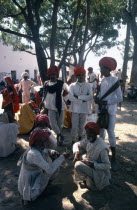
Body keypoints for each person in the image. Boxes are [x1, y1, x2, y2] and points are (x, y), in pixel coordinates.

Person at [18, 129, 70, 204]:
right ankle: (37, 193)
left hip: (29, 182)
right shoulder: (34, 154)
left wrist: (51, 151)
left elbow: (45, 150)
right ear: (35, 141)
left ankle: (42, 187)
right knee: (53, 169)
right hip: (29, 192)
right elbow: (50, 170)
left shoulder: (33, 148)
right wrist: (62, 157)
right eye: (40, 141)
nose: (43, 144)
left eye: (44, 141)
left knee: (53, 166)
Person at [95, 57, 123, 168]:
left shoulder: (115, 80)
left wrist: (106, 102)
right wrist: (97, 99)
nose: (100, 70)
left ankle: (114, 156)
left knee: (110, 132)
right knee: (101, 132)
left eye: (102, 68)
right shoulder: (102, 80)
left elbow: (120, 98)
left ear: (107, 69)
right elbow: (101, 95)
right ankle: (102, 153)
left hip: (110, 111)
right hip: (101, 111)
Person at [73, 122, 111, 191]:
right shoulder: (89, 139)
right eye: (87, 133)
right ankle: (88, 179)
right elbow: (77, 144)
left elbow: (107, 166)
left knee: (78, 165)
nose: (88, 135)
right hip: (90, 163)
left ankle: (92, 182)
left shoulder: (102, 147)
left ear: (95, 134)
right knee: (81, 152)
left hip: (99, 172)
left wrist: (92, 164)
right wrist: (76, 153)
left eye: (90, 133)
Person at [42, 65, 69, 145]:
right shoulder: (46, 83)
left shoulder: (61, 83)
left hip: (60, 106)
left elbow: (68, 92)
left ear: (57, 75)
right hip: (50, 107)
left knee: (60, 124)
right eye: (51, 75)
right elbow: (44, 94)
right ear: (49, 75)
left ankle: (59, 139)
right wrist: (42, 102)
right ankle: (60, 134)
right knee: (53, 124)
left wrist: (65, 99)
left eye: (54, 75)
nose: (52, 76)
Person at [69, 66, 93, 143]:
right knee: (74, 126)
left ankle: (81, 141)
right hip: (75, 109)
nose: (81, 76)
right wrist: (82, 100)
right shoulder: (72, 85)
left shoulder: (88, 85)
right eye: (79, 75)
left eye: (82, 74)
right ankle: (73, 141)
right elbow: (70, 97)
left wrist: (78, 97)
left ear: (85, 75)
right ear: (76, 76)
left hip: (84, 109)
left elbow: (90, 96)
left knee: (82, 126)